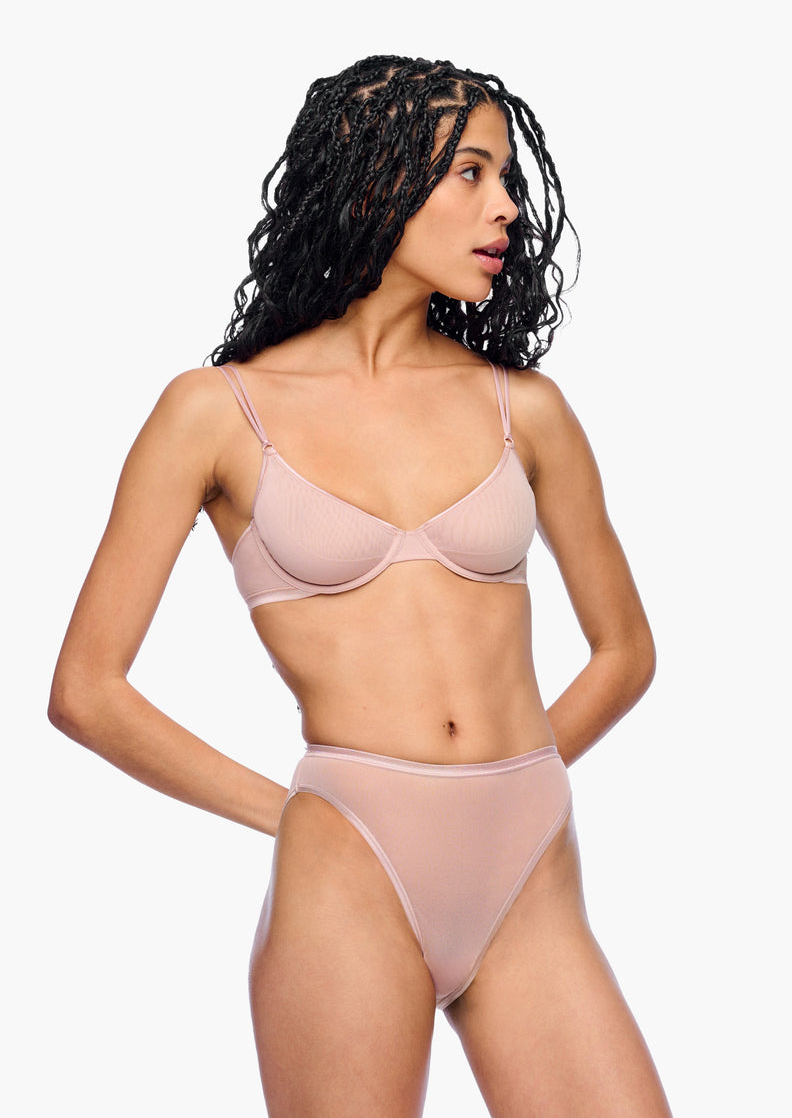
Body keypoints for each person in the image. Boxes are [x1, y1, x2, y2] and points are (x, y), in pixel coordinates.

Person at [49, 54, 672, 1117]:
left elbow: (626, 652)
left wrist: (503, 780)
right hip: (349, 867)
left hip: (529, 857)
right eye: (471, 172)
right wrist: (304, 810)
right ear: (376, 177)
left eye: (508, 178)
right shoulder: (215, 413)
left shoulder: (527, 409)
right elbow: (86, 690)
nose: (506, 207)